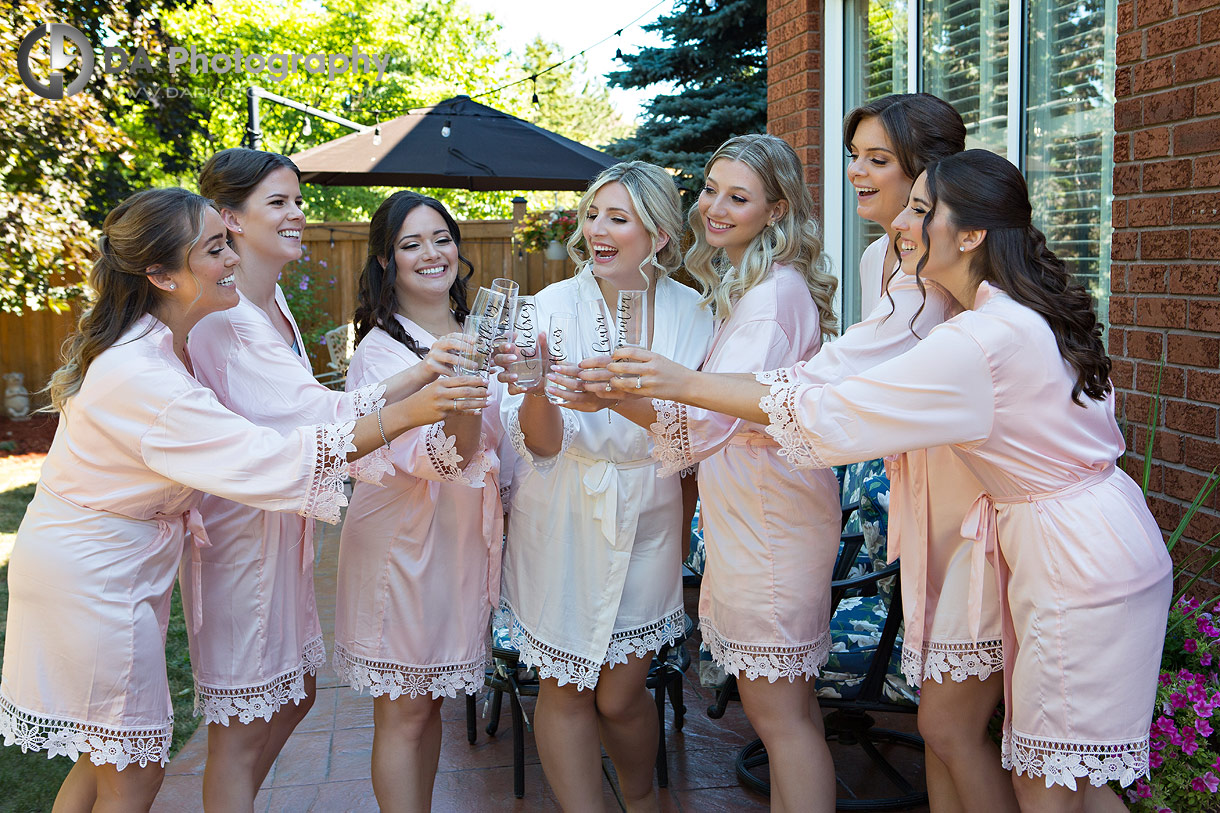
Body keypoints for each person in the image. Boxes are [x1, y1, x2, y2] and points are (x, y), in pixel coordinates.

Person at [607, 150, 1173, 812]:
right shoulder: (1008, 312)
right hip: (1091, 541)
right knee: (1070, 778)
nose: (902, 220)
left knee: (1048, 787)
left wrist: (683, 383)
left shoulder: (981, 339)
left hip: (1075, 560)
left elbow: (834, 410)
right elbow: (833, 375)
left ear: (971, 236)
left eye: (922, 210)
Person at [0, 188, 485, 813]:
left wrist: (413, 384)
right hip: (93, 573)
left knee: (109, 761)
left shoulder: (163, 341)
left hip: (120, 563)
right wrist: (406, 414)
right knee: (133, 767)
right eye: (215, 247)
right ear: (161, 275)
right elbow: (269, 455)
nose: (233, 255)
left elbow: (297, 420)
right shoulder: (144, 376)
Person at [188, 149, 471, 812]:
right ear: (229, 217)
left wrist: (424, 376)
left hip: (282, 523)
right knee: (240, 725)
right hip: (237, 531)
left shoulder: (271, 300)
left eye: (296, 200)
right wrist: (422, 389)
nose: (297, 215)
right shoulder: (226, 319)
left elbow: (312, 402)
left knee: (292, 696)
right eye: (278, 203)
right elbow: (323, 416)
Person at [581, 134, 841, 812]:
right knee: (793, 711)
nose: (715, 208)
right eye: (710, 190)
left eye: (739, 197)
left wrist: (621, 394)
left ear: (776, 209)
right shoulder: (751, 285)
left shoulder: (773, 297)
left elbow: (707, 422)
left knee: (780, 720)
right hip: (759, 516)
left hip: (770, 524)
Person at [494, 161, 713, 811]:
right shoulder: (548, 309)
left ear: (661, 235)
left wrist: (680, 534)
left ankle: (643, 799)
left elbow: (699, 438)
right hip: (563, 506)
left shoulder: (695, 315)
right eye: (593, 214)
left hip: (651, 509)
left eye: (617, 217)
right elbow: (539, 441)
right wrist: (537, 389)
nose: (598, 229)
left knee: (620, 695)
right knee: (564, 686)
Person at [331, 191, 504, 812]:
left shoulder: (476, 334)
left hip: (456, 545)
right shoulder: (381, 354)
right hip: (403, 544)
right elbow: (445, 459)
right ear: (386, 262)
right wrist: (464, 400)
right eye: (411, 244)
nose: (432, 254)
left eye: (441, 238)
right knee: (404, 713)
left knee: (429, 707)